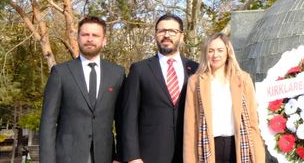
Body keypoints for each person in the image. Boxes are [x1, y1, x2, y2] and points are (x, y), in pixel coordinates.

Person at [39, 16, 125, 163]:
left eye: (95, 35)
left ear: (104, 40)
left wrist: (121, 156)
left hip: (106, 156)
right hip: (67, 156)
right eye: (85, 35)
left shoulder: (117, 73)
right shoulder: (60, 72)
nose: (90, 39)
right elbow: (48, 122)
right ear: (78, 38)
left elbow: (123, 120)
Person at [121, 13, 199, 163]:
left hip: (189, 153)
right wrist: (132, 156)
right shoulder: (139, 69)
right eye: (161, 31)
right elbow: (129, 116)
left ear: (182, 36)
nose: (166, 35)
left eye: (172, 31)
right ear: (156, 35)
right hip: (149, 154)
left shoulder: (196, 69)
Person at [183, 32, 265, 163]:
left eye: (220, 50)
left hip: (238, 146)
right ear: (206, 54)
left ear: (228, 52)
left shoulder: (243, 79)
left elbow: (253, 123)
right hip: (209, 148)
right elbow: (190, 127)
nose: (215, 55)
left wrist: (259, 157)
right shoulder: (195, 81)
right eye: (211, 51)